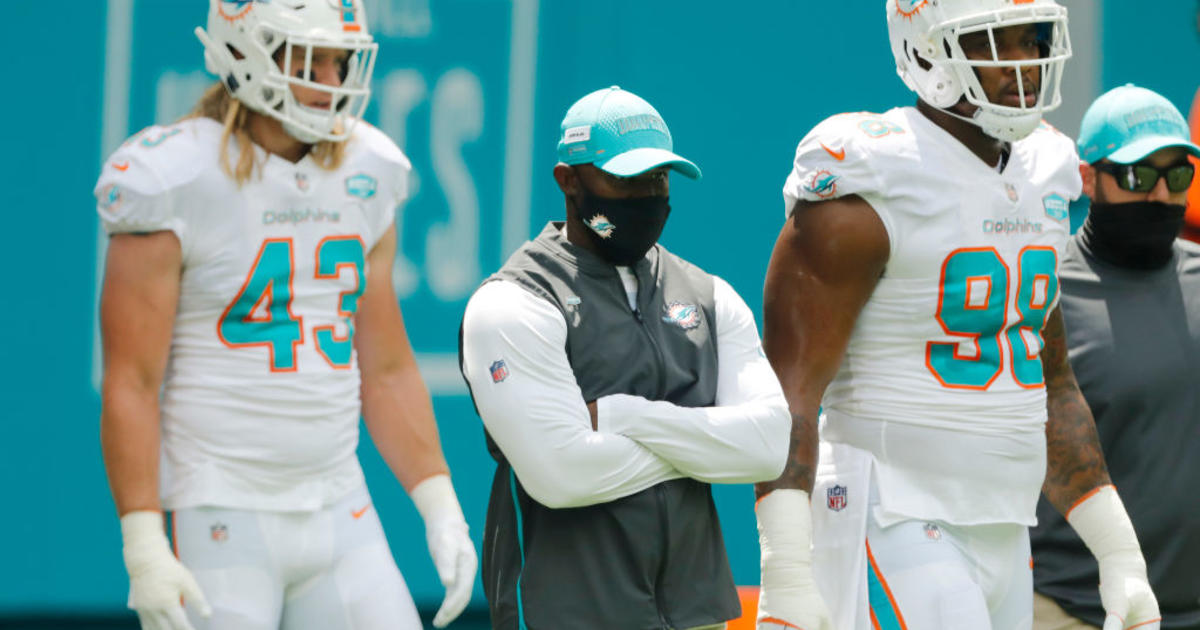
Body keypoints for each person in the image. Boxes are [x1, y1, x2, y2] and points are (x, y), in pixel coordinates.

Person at [755, 2, 1161, 629]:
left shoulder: (1044, 169)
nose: (1023, 62)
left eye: (1032, 39)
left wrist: (1119, 552)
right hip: (890, 510)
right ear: (926, 50)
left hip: (1004, 523)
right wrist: (785, 568)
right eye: (995, 42)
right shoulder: (873, 172)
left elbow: (1047, 383)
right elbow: (791, 395)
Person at [94, 2, 476, 629]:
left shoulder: (369, 168)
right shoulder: (174, 176)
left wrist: (438, 503)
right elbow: (132, 381)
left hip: (338, 503)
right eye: (310, 61)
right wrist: (143, 543)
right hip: (223, 511)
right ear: (247, 54)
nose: (332, 81)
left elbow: (383, 367)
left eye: (340, 61)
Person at [458, 86, 791, 630]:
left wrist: (623, 418)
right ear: (569, 181)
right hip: (563, 614)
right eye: (625, 179)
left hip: (696, 610)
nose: (646, 196)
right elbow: (561, 474)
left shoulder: (709, 295)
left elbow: (769, 448)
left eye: (657, 179)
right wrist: (707, 446)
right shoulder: (512, 301)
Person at [1029, 85, 1200, 630]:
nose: (1158, 195)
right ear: (1087, 178)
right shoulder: (1040, 293)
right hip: (1072, 612)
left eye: (1177, 176)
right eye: (1136, 175)